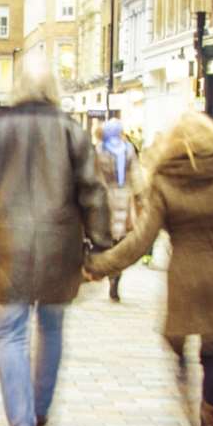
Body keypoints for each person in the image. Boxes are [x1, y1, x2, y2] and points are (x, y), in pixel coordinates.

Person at [84, 112, 213, 426]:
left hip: (185, 275)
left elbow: (140, 242)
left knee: (177, 334)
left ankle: (182, 366)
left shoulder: (166, 181)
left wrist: (98, 266)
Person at [0, 52, 111, 426]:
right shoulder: (71, 131)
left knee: (11, 332)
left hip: (4, 245)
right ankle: (39, 413)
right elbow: (92, 191)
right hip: (59, 245)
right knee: (53, 328)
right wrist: (100, 243)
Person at [94, 119, 143, 303]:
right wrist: (140, 196)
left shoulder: (99, 149)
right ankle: (116, 276)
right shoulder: (128, 149)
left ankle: (110, 273)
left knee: (108, 239)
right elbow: (136, 175)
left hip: (105, 197)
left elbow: (94, 175)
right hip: (124, 196)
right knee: (121, 239)